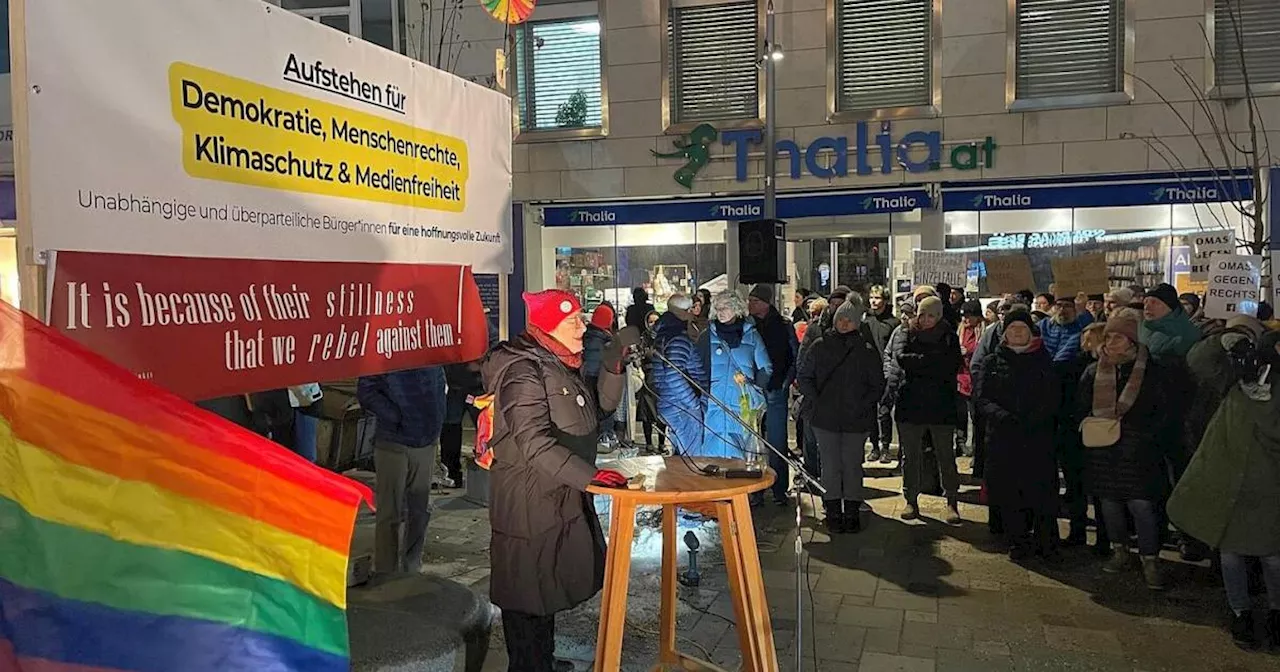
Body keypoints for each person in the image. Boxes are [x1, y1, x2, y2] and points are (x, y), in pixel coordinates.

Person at [480, 289, 633, 672]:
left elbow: (596, 412)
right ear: (548, 326)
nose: (583, 326)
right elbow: (532, 441)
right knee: (527, 594)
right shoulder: (523, 371)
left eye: (581, 317)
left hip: (555, 491)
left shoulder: (560, 362)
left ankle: (541, 663)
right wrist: (591, 477)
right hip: (528, 501)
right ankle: (529, 666)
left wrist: (614, 368)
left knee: (543, 589)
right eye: (573, 320)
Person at [1168, 331, 1280, 650]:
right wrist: (1224, 336)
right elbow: (1199, 361)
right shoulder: (1239, 378)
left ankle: (1275, 611)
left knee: (1272, 555)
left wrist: (1259, 400)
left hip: (1268, 484)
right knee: (1231, 553)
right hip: (1227, 479)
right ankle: (1239, 610)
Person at [1078, 308, 1176, 590]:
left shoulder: (1152, 370)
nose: (1111, 342)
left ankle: (1149, 558)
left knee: (1142, 505)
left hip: (1139, 450)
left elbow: (1164, 410)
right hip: (1103, 449)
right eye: (1108, 336)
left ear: (1132, 340)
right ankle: (1120, 550)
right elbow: (1081, 404)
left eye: (1118, 337)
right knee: (1110, 504)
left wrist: (1145, 436)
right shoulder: (1094, 370)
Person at [975, 309, 1060, 561]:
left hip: (1037, 437)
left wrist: (1036, 418)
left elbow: (1053, 395)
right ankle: (1017, 540)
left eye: (1022, 328)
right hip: (1004, 437)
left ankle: (1045, 542)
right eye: (1012, 329)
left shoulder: (1043, 359)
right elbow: (982, 397)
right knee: (1010, 492)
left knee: (1040, 491)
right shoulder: (993, 361)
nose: (1017, 333)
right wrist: (1002, 417)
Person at [798, 295, 886, 533]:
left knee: (852, 465)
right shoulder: (820, 346)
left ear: (857, 322)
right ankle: (833, 510)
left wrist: (862, 405)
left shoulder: (866, 351)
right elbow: (804, 376)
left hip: (855, 419)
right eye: (841, 319)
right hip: (825, 419)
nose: (844, 323)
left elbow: (877, 384)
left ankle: (852, 511)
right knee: (830, 465)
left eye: (849, 320)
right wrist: (817, 400)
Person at [357, 364, 447, 576]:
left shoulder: (431, 345)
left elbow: (440, 381)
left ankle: (412, 567)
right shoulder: (383, 348)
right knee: (390, 510)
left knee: (420, 508)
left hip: (426, 438)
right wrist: (396, 417)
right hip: (393, 441)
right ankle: (385, 570)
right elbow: (366, 391)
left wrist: (436, 420)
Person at [890, 296, 964, 524]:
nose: (926, 319)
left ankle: (951, 500)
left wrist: (922, 362)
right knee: (911, 456)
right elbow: (902, 358)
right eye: (922, 314)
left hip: (941, 405)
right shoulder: (906, 331)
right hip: (911, 404)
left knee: (945, 455)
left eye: (931, 315)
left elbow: (952, 364)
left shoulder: (948, 335)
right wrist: (932, 361)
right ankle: (910, 498)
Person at [1039, 295, 1094, 543]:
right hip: (1045, 412)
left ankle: (1078, 528)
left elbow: (1086, 324)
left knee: (1075, 476)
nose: (1062, 310)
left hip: (1070, 414)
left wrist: (1083, 310)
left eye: (1068, 306)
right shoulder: (1043, 328)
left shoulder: (1081, 329)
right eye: (1059, 305)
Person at [700, 291, 772, 463]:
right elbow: (697, 367)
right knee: (713, 454)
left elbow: (766, 368)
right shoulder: (706, 336)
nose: (720, 312)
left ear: (737, 309)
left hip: (743, 403)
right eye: (717, 308)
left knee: (742, 453)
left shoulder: (752, 335)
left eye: (725, 307)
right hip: (713, 403)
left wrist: (754, 388)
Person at [748, 284, 800, 504]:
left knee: (777, 441)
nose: (750, 304)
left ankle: (779, 488)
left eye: (755, 301)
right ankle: (756, 489)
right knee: (754, 442)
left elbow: (793, 356)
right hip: (752, 389)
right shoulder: (747, 326)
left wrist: (785, 382)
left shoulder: (782, 326)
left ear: (766, 303)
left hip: (776, 389)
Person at [441, 316, 501, 488]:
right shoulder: (445, 321)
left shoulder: (480, 320)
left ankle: (491, 471)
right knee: (450, 429)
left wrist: (480, 363)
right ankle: (452, 473)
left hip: (476, 386)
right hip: (454, 386)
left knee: (486, 429)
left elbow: (495, 344)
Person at [652, 294, 707, 455]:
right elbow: (673, 375)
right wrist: (694, 404)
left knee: (680, 462)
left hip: (669, 403)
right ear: (683, 312)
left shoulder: (662, 335)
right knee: (692, 461)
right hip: (681, 407)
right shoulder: (678, 338)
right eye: (690, 310)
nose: (692, 314)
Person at [866, 285, 901, 463]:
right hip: (868, 373)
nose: (873, 301)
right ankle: (874, 446)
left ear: (885, 301)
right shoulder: (865, 322)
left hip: (886, 374)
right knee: (870, 412)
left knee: (885, 411)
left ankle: (886, 446)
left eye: (877, 298)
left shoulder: (893, 323)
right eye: (872, 297)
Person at [1140, 283, 1201, 362]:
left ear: (1170, 307)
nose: (1147, 307)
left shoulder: (1187, 334)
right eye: (1145, 302)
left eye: (1154, 302)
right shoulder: (1142, 328)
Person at [582, 303, 617, 441]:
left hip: (586, 375)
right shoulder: (608, 340)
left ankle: (591, 435)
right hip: (603, 377)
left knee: (590, 408)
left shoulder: (585, 335)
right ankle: (605, 436)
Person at [956, 300, 985, 458]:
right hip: (961, 378)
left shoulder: (983, 331)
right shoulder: (960, 330)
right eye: (963, 316)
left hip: (976, 378)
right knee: (960, 414)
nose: (965, 320)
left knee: (976, 417)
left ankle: (976, 449)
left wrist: (968, 351)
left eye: (968, 316)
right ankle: (960, 443)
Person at [635, 311, 668, 451]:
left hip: (661, 379)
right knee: (646, 413)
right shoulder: (643, 338)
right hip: (647, 378)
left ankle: (661, 442)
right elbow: (640, 355)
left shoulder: (665, 337)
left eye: (656, 321)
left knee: (662, 413)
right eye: (651, 321)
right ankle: (649, 443)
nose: (653, 324)